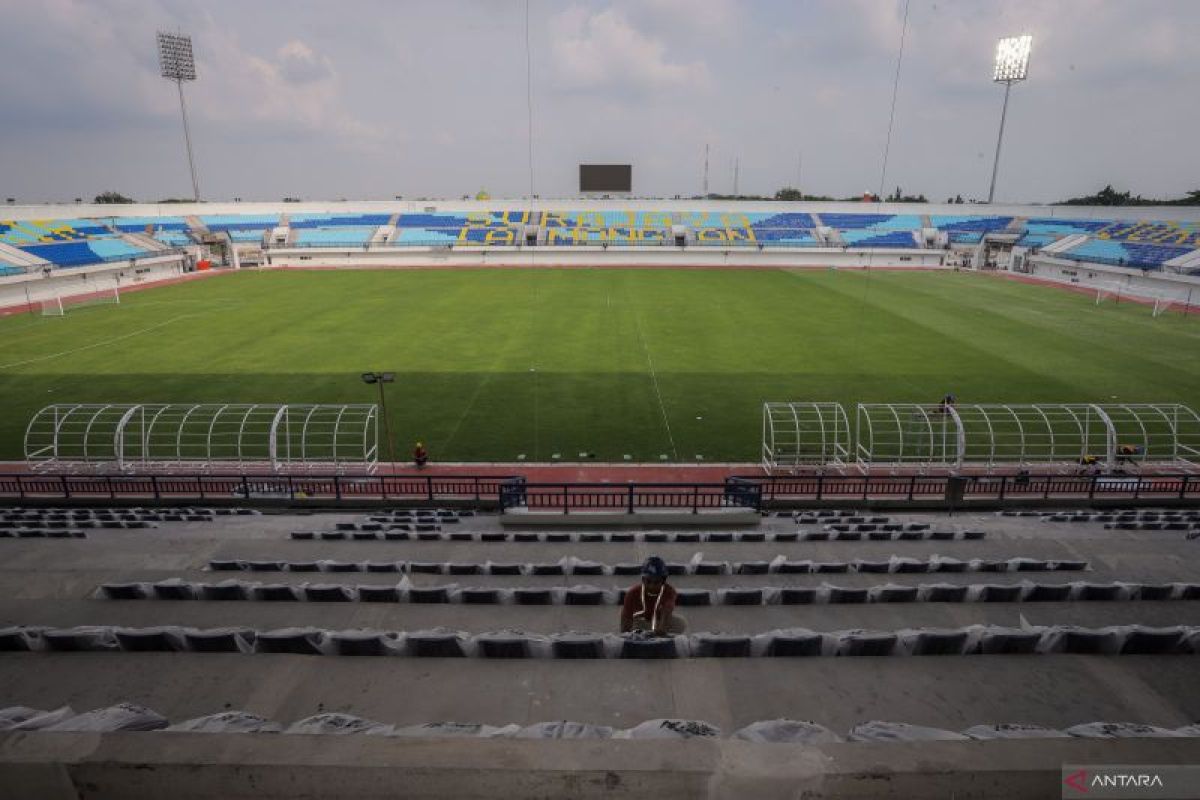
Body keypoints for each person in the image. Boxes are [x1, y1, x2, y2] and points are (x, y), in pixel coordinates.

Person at [620, 556, 686, 636]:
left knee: (681, 623)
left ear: (663, 581)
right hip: (640, 623)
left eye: (656, 582)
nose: (652, 586)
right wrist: (627, 637)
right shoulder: (632, 593)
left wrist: (661, 630)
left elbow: (667, 612)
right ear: (643, 580)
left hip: (659, 621)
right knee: (632, 624)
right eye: (649, 582)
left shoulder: (669, 592)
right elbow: (625, 619)